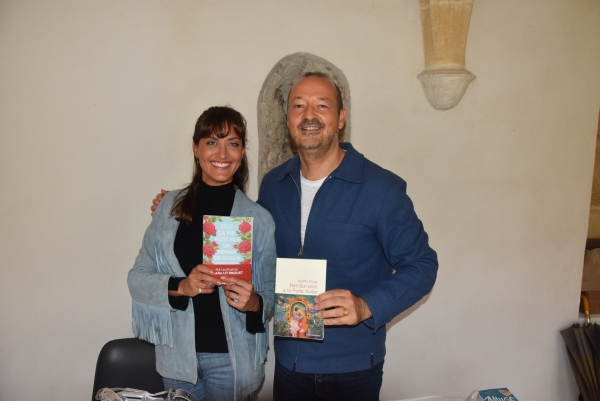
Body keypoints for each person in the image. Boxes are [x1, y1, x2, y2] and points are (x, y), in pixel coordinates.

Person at [151, 73, 438, 401]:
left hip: (353, 370)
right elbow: (242, 232)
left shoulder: (381, 189)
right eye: (299, 106)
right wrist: (175, 207)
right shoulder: (275, 184)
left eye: (322, 105)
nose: (309, 115)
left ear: (341, 118)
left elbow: (423, 266)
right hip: (289, 366)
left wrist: (366, 305)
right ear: (289, 121)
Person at [129, 106, 276, 401]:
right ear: (196, 149)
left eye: (232, 143)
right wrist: (181, 286)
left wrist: (253, 303)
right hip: (178, 361)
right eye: (212, 142)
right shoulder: (168, 208)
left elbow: (271, 296)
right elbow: (137, 279)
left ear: (242, 152)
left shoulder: (258, 220)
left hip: (232, 363)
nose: (222, 154)